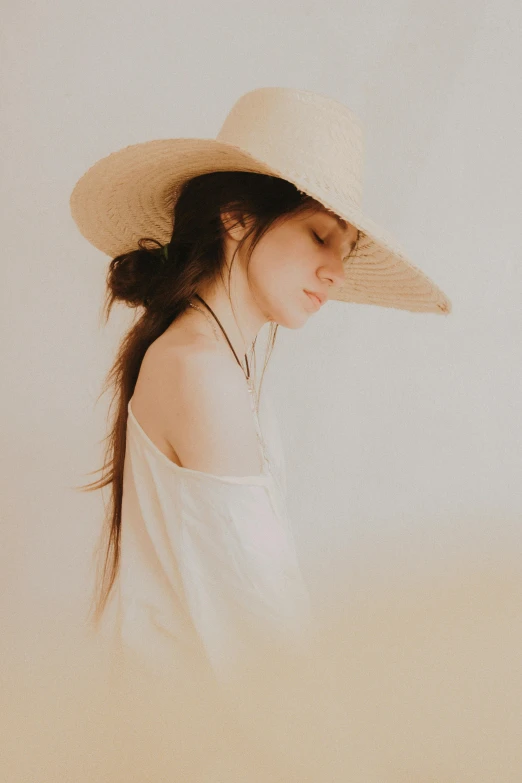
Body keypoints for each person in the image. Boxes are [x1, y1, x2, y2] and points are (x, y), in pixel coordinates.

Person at [70, 86, 451, 683]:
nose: (337, 270)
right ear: (238, 216)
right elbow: (260, 629)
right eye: (320, 235)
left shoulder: (211, 357)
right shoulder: (200, 369)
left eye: (347, 249)